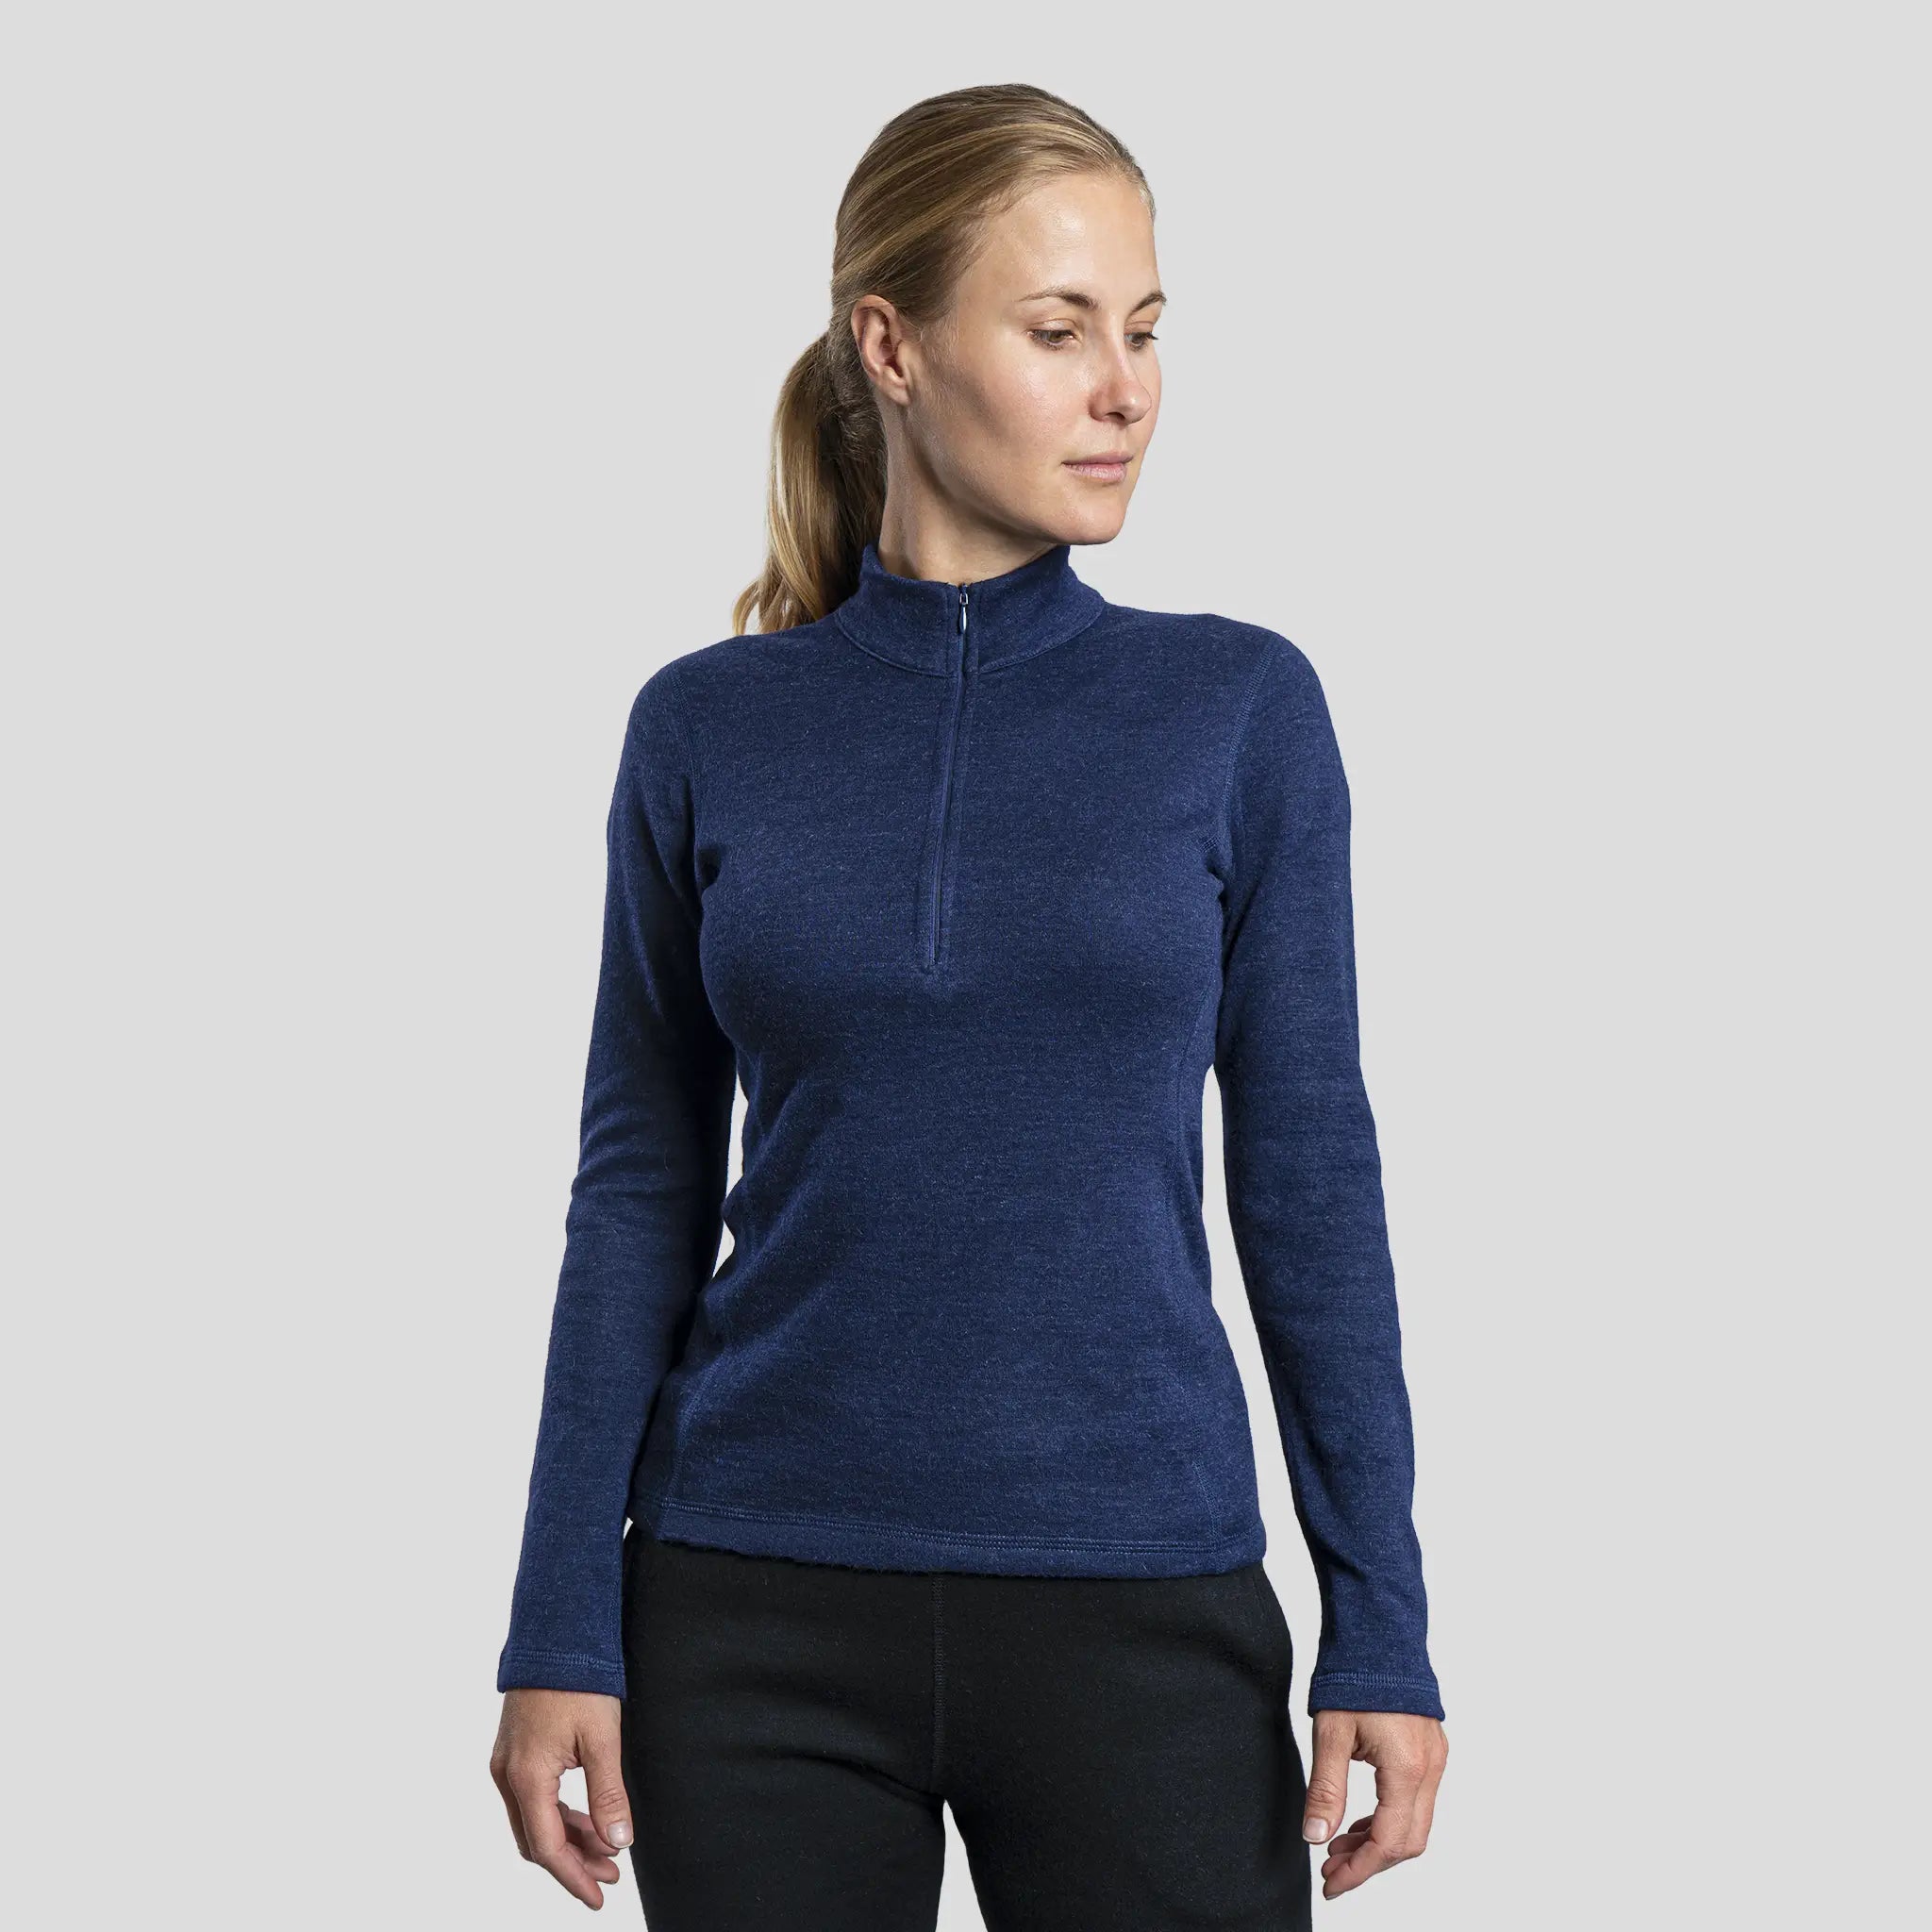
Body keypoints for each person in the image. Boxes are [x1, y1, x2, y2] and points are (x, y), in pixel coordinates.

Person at [489, 82, 1447, 1928]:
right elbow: (637, 1191)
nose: (1125, 390)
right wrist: (557, 1626)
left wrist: (1381, 1624)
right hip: (749, 1608)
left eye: (1146, 331)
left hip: (1142, 1603)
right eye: (1059, 330)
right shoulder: (705, 728)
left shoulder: (1238, 711)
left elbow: (1312, 1180)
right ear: (893, 347)